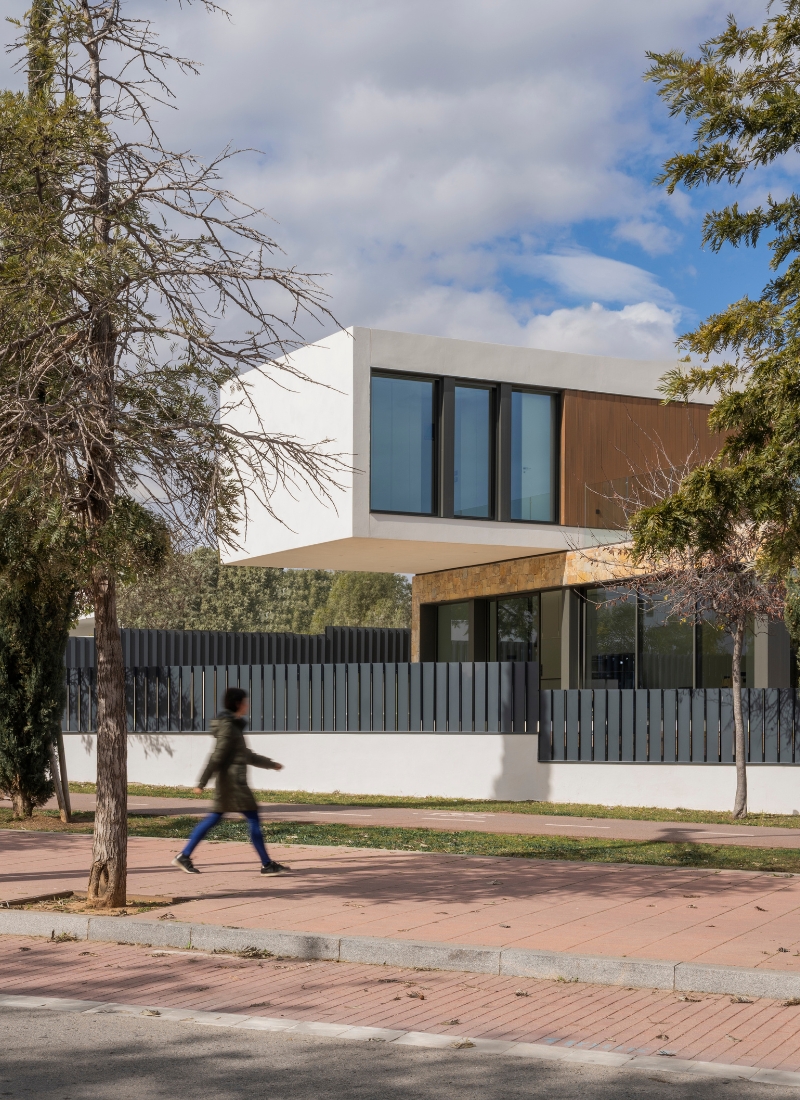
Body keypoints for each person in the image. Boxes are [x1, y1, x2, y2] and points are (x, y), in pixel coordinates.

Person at [172, 686, 289, 876]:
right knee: (251, 818)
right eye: (245, 701)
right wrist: (201, 783)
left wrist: (271, 764)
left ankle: (184, 856)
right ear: (237, 704)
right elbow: (216, 757)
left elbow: (246, 755)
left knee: (215, 818)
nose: (247, 705)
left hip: (232, 783)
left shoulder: (233, 726)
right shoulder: (228, 727)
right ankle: (266, 864)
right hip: (233, 784)